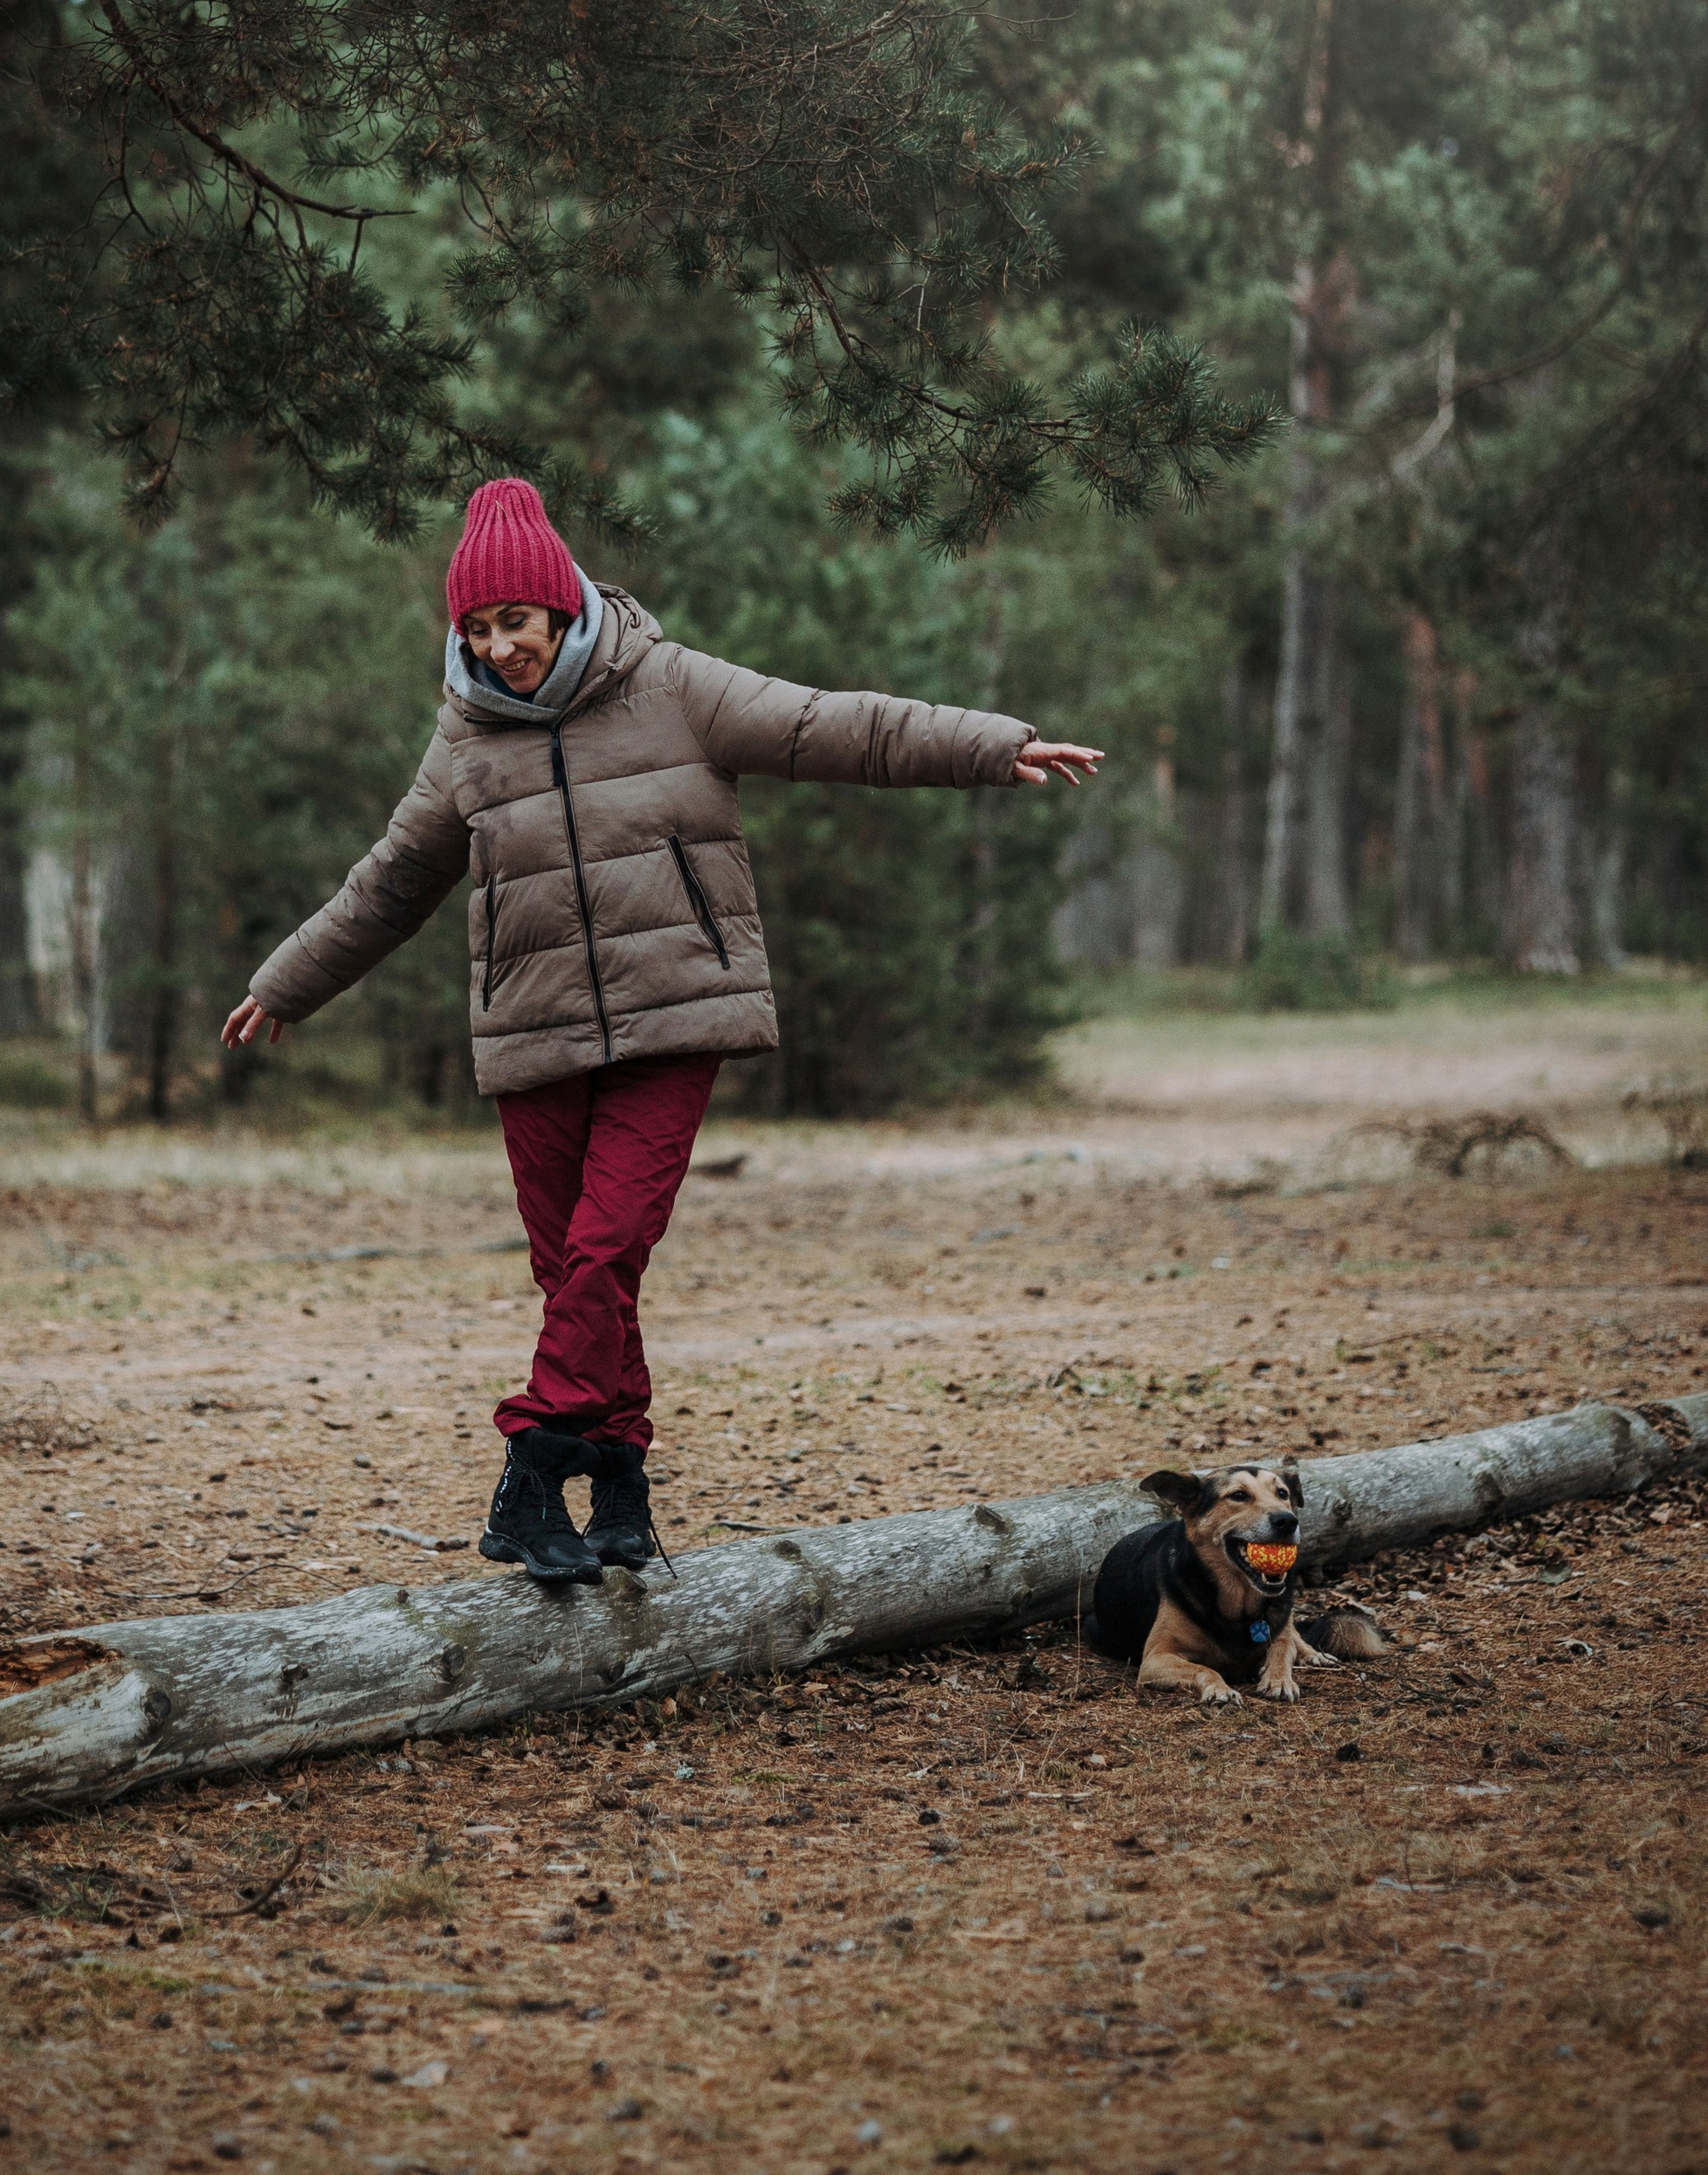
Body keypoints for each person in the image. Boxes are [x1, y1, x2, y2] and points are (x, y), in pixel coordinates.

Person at [222, 478, 1100, 1582]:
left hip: (674, 1013)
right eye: (477, 630)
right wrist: (288, 980)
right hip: (533, 1032)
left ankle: (534, 1464)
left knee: (606, 1247)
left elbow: (831, 723)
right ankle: (622, 1488)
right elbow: (390, 882)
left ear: (561, 608)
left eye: (516, 623)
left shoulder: (670, 684)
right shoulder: (465, 744)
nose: (500, 650)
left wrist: (988, 746)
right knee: (576, 1278)